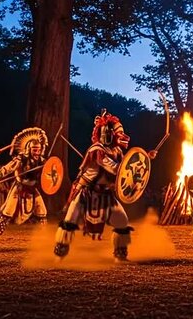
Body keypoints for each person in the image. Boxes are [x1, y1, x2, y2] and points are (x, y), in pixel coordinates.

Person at [54, 109, 156, 262]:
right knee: (69, 221)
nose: (122, 136)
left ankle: (120, 255)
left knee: (122, 220)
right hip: (86, 194)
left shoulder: (116, 151)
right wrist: (141, 161)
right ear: (107, 134)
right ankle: (60, 255)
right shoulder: (97, 151)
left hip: (106, 195)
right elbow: (117, 169)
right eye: (118, 133)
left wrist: (145, 157)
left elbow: (125, 166)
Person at [0, 127, 48, 241]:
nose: (37, 152)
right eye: (34, 150)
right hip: (19, 187)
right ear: (28, 149)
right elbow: (6, 169)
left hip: (32, 188)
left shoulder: (42, 161)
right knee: (8, 210)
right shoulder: (20, 159)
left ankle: (43, 235)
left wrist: (48, 168)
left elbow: (50, 175)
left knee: (42, 210)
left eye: (38, 150)